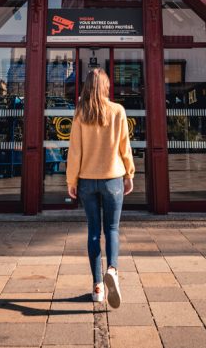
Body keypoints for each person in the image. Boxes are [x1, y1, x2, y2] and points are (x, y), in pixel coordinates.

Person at [66, 67, 135, 307]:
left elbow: (74, 151)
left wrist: (71, 180)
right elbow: (124, 146)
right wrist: (129, 173)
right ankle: (113, 270)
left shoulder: (80, 113)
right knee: (112, 229)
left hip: (86, 179)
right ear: (106, 85)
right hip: (113, 178)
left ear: (85, 86)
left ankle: (97, 287)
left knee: (94, 231)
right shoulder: (118, 111)